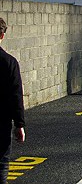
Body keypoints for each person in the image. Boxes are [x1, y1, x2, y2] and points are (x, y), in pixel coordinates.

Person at [0, 18, 26, 184]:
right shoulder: (8, 62)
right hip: (0, 123)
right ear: (2, 35)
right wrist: (19, 124)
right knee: (1, 163)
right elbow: (16, 95)